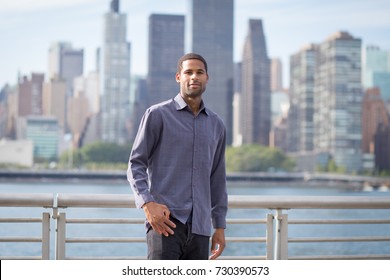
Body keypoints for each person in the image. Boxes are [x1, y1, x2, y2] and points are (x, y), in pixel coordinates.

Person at [127, 53, 228, 260]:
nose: (194, 77)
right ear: (178, 77)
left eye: (199, 72)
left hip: (201, 228)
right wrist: (147, 204)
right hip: (165, 224)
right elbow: (135, 164)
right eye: (188, 72)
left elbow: (217, 179)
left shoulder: (217, 125)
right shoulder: (157, 115)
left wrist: (219, 226)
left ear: (206, 78)